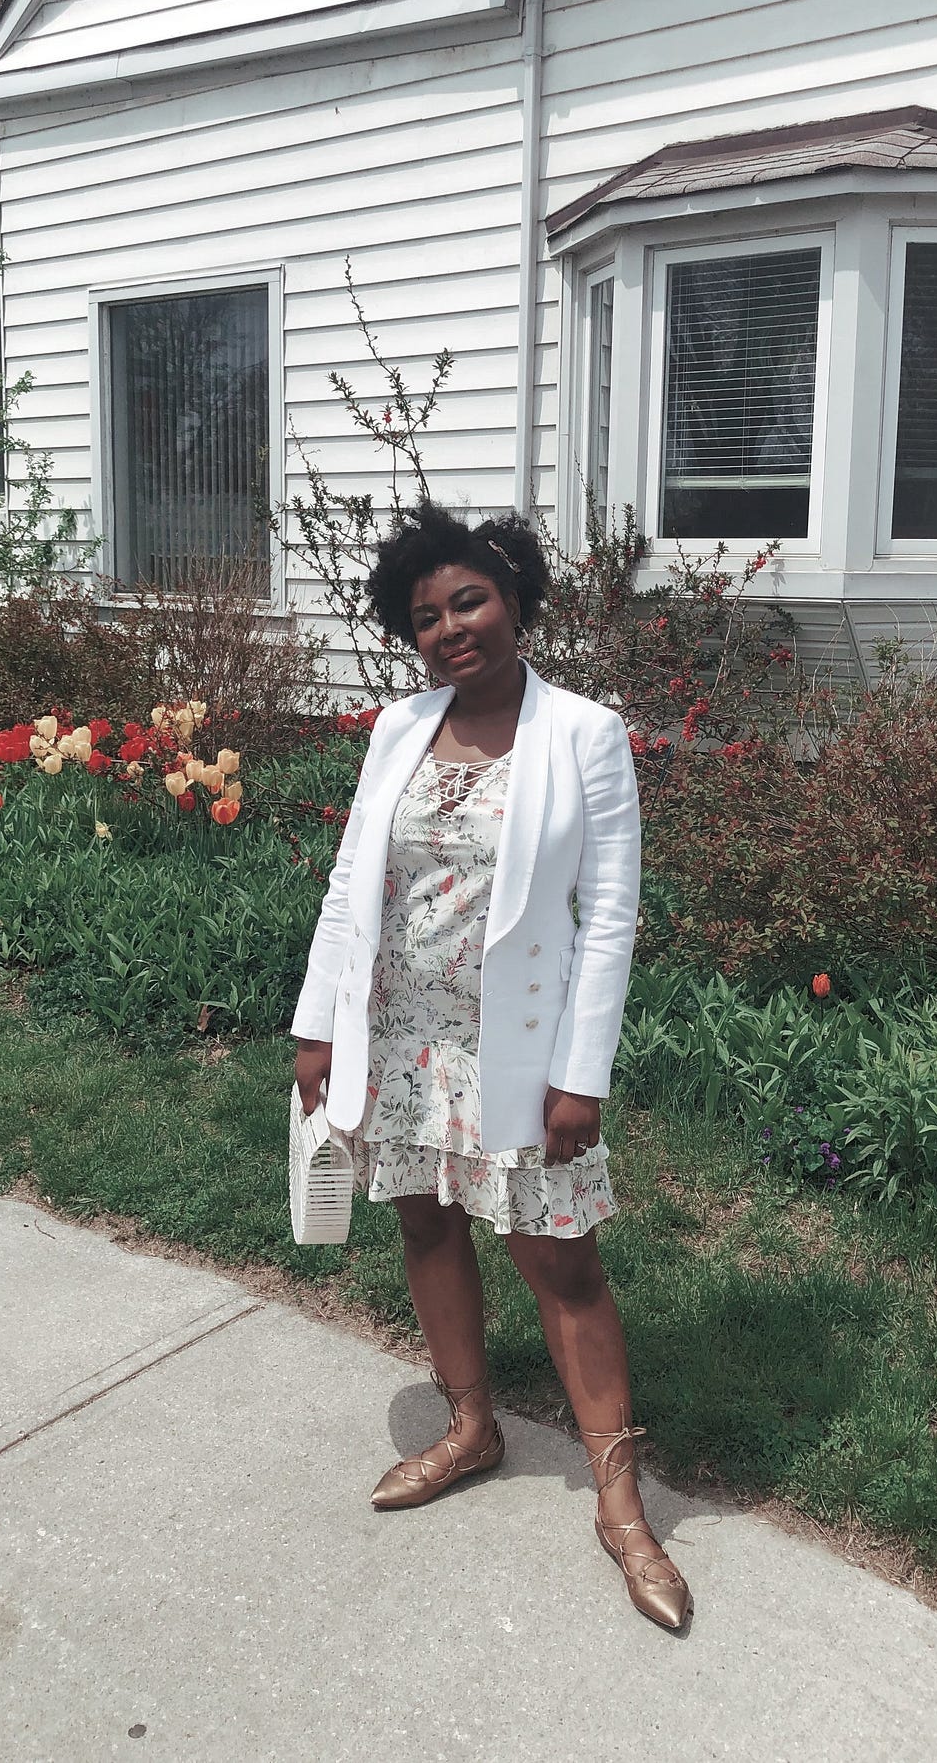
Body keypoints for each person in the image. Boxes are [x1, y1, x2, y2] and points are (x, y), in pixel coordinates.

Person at [292, 501, 692, 1633]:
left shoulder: (584, 733)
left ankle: (619, 1501)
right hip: (402, 1033)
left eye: (468, 600)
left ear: (513, 599)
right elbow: (347, 887)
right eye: (425, 615)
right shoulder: (397, 729)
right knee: (425, 1224)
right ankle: (471, 1425)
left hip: (515, 1046)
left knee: (560, 1262)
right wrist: (318, 1020)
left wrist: (582, 1074)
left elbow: (609, 917)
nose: (449, 627)